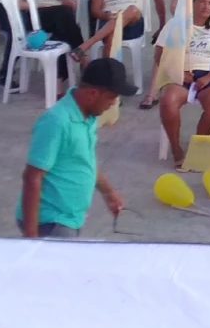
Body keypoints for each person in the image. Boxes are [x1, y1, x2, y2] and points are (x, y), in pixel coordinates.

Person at [16, 57, 131, 238]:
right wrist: (31, 239)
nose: (113, 103)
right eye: (111, 97)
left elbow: (85, 160)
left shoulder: (88, 118)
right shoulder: (56, 121)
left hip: (71, 217)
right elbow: (32, 177)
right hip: (50, 221)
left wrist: (109, 192)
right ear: (92, 93)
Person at [149, 0, 210, 166]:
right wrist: (178, 73)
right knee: (168, 100)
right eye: (202, 2)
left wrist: (209, 76)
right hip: (181, 74)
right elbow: (159, 54)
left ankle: (197, 146)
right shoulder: (176, 24)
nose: (206, 6)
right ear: (192, 4)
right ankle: (175, 148)